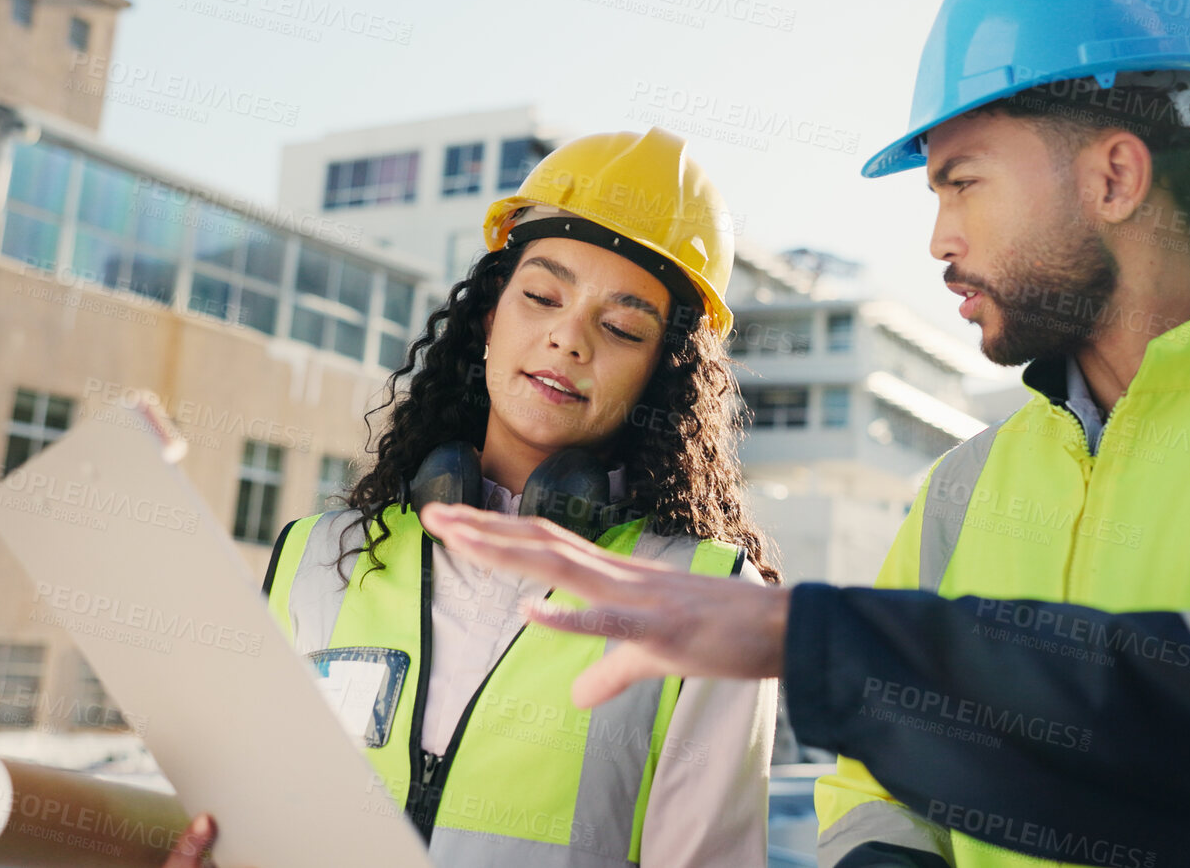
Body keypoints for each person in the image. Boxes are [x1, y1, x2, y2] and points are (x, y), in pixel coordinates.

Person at [421, 0, 1190, 868]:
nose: (939, 239)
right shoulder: (964, 492)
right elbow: (875, 781)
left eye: (963, 181)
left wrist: (817, 643)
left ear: (1113, 175)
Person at [164, 127, 780, 867]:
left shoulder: (703, 600)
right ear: (489, 315)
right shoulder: (315, 555)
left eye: (619, 326)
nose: (567, 338)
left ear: (664, 373)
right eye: (542, 295)